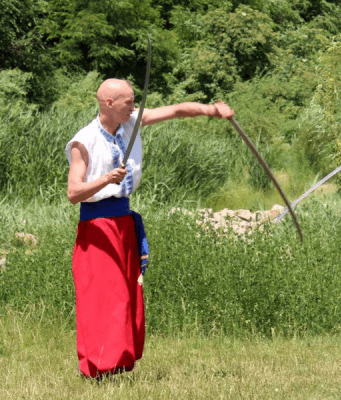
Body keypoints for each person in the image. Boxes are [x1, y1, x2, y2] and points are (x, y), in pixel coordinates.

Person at [65, 78, 234, 378]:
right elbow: (73, 192)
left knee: (127, 295)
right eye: (128, 101)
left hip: (124, 221)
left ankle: (117, 363)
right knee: (105, 297)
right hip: (97, 227)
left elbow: (177, 111)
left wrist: (211, 110)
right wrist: (105, 179)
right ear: (108, 104)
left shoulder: (131, 122)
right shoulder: (84, 141)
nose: (134, 106)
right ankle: (98, 366)